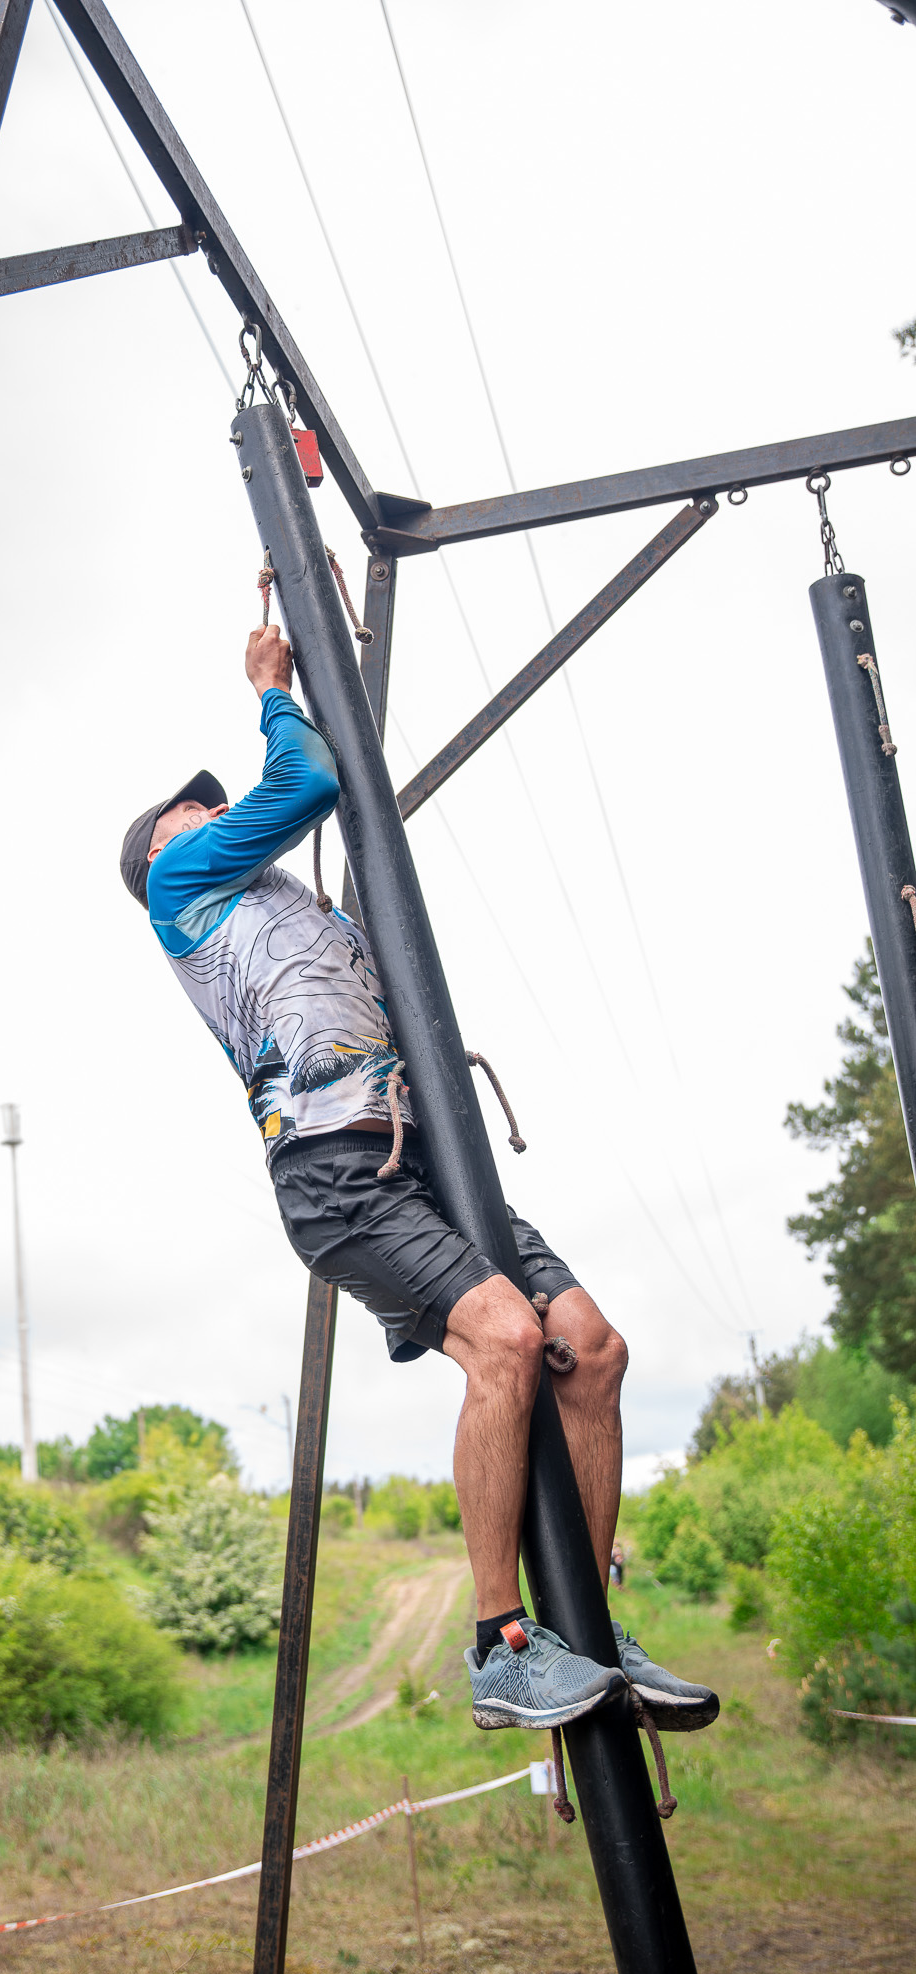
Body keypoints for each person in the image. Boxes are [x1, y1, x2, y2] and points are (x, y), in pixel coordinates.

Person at [119, 622, 717, 1736]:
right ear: (160, 856)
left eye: (208, 806)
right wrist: (271, 689)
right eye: (183, 813)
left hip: (427, 1154)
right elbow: (305, 780)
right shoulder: (180, 888)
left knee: (589, 1348)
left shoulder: (308, 911)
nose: (205, 812)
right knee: (504, 1340)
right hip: (336, 1173)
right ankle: (500, 1647)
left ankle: (588, 1632)